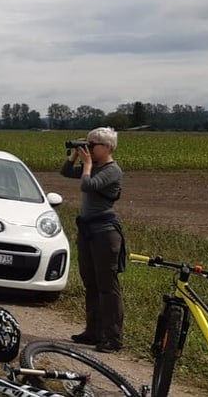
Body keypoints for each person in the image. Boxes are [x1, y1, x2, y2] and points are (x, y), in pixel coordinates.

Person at [61, 126, 125, 354]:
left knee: (107, 287)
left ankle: (113, 337)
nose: (88, 148)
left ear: (107, 147)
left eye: (92, 145)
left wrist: (87, 165)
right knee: (91, 283)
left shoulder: (112, 170)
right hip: (88, 231)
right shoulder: (95, 166)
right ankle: (93, 331)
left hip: (105, 232)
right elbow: (66, 172)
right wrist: (75, 155)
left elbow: (88, 185)